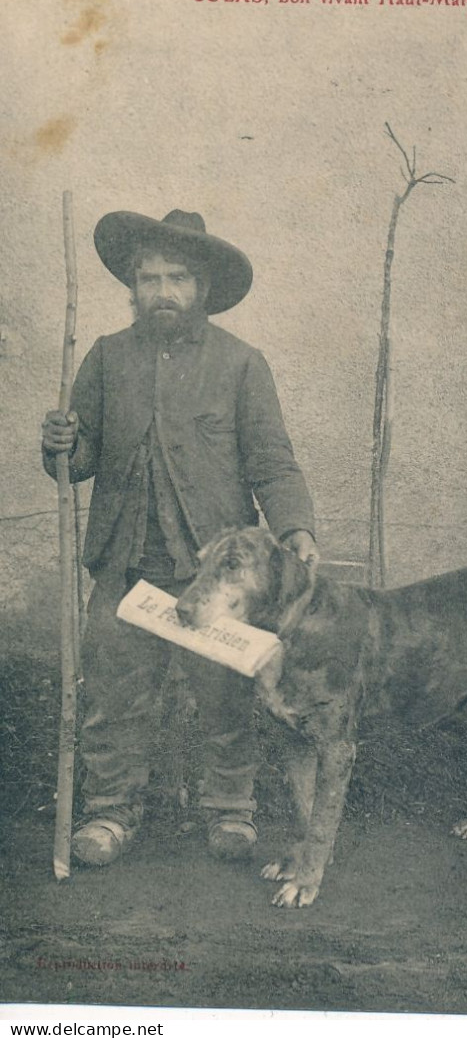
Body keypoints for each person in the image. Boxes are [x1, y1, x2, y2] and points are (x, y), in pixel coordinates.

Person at [41, 209, 317, 867]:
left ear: (204, 288)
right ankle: (111, 810)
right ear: (132, 286)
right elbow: (76, 459)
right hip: (124, 561)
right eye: (148, 277)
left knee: (222, 689)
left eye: (177, 279)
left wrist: (295, 527)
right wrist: (60, 443)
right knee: (112, 687)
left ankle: (229, 808)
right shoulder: (107, 357)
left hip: (211, 573)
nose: (161, 290)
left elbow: (272, 460)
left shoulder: (241, 364)